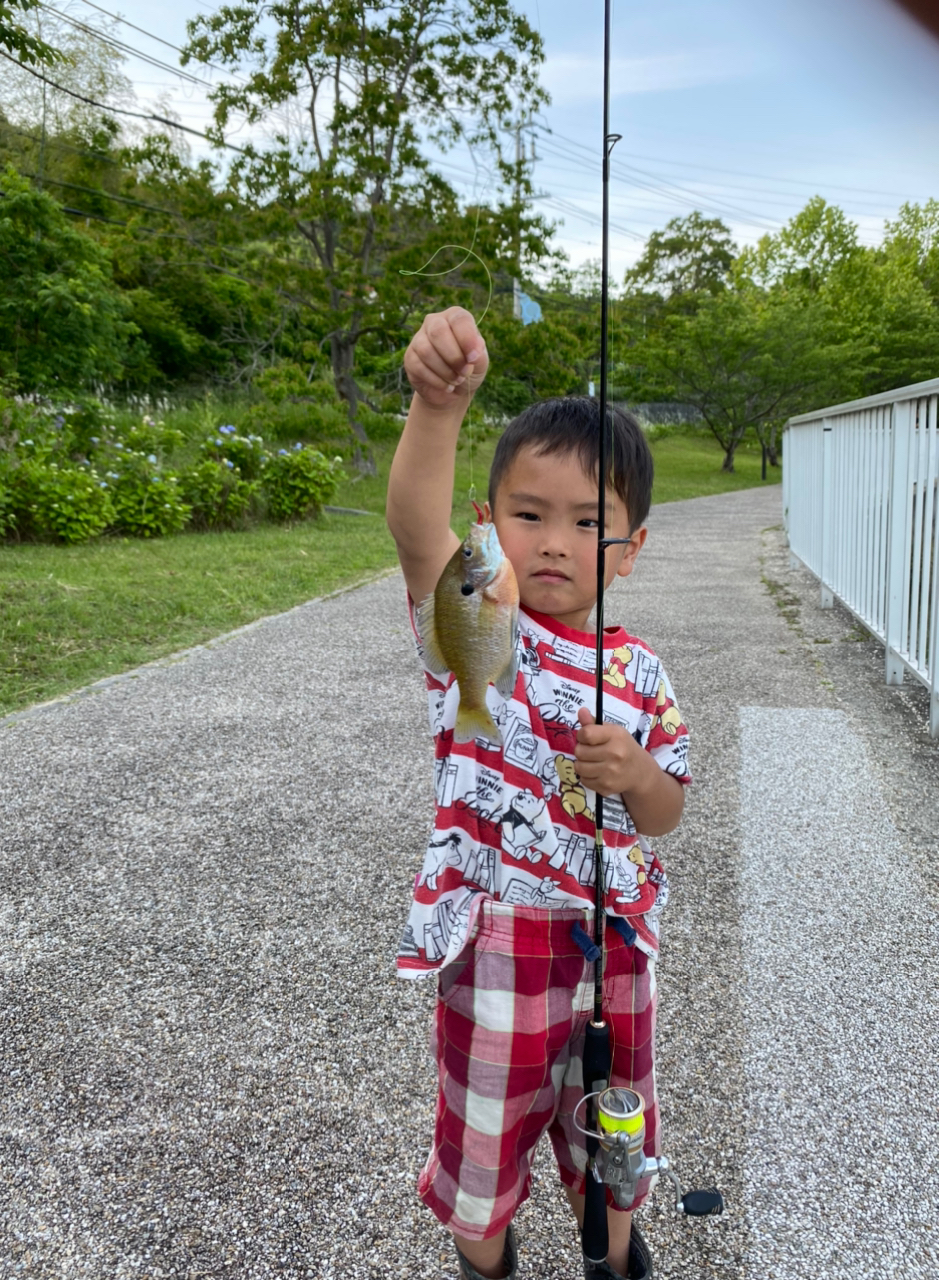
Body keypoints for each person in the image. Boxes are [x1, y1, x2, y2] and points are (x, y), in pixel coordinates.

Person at [386, 308, 690, 1280]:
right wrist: (438, 405)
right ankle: (486, 1258)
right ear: (488, 523)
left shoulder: (640, 672)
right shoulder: (475, 611)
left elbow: (666, 807)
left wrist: (636, 774)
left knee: (611, 1132)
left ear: (630, 547)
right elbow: (410, 523)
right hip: (496, 944)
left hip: (615, 945)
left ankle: (612, 1254)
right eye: (527, 513)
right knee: (481, 1147)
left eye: (587, 520)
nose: (553, 542)